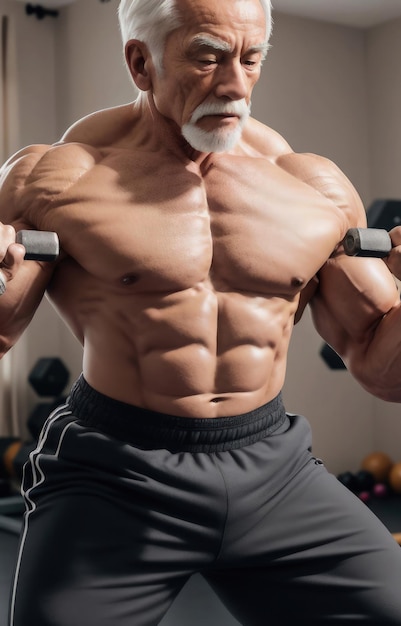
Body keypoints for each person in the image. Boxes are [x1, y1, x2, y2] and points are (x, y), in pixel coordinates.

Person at [1, 0, 401, 624]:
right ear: (141, 62)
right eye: (208, 57)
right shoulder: (57, 179)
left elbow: (384, 371)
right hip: (115, 472)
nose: (235, 84)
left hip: (275, 468)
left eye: (251, 59)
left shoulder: (312, 188)